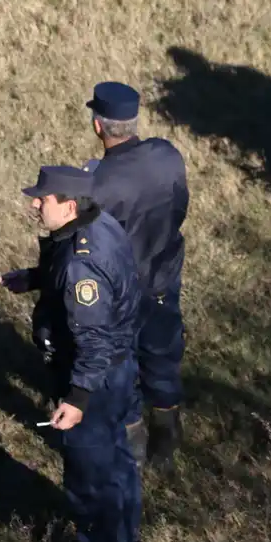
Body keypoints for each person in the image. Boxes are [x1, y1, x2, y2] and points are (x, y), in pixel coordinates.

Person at [0, 166, 143, 542]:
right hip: (117, 370)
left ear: (69, 204)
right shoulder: (100, 223)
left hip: (93, 380)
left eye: (42, 199)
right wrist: (35, 278)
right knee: (118, 456)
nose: (34, 204)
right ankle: (127, 534)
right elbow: (91, 274)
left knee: (88, 479)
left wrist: (77, 399)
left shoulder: (82, 264)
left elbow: (92, 338)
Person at [83, 82, 190, 471]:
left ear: (98, 126)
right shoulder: (167, 153)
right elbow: (181, 204)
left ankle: (135, 443)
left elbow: (89, 246)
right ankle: (168, 433)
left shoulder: (95, 183)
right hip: (164, 274)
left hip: (120, 292)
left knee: (119, 362)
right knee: (162, 352)